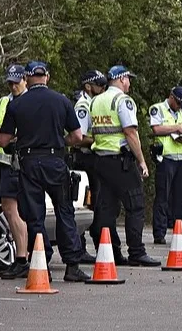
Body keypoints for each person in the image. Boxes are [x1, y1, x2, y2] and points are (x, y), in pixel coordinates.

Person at [0, 61, 90, 283]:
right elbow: (77, 137)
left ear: (27, 78)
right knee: (64, 212)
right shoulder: (62, 101)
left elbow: (4, 139)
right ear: (47, 76)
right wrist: (58, 141)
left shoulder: (17, 105)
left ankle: (41, 262)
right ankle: (72, 265)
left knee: (34, 215)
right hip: (55, 161)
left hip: (29, 163)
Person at [89, 65, 160, 266]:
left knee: (107, 209)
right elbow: (130, 133)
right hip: (120, 161)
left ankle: (110, 252)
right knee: (135, 206)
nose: (129, 83)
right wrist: (142, 160)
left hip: (101, 160)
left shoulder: (96, 101)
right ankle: (137, 252)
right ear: (121, 79)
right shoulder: (122, 100)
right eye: (128, 79)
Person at [0, 64, 31, 279]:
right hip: (2, 163)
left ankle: (22, 258)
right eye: (10, 82)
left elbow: (23, 134)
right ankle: (21, 258)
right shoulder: (4, 102)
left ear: (25, 80)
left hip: (16, 162)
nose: (13, 86)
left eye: (16, 82)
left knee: (13, 210)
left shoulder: (28, 102)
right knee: (9, 210)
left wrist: (0, 135)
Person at [70, 69, 121, 263]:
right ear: (88, 86)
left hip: (94, 159)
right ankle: (80, 248)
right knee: (86, 204)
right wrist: (99, 140)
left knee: (99, 204)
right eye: (100, 86)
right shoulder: (83, 105)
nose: (103, 89)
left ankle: (100, 246)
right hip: (84, 161)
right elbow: (79, 138)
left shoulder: (95, 103)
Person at [149, 86, 182, 244]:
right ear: (171, 97)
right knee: (162, 196)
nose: (180, 106)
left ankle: (181, 232)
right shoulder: (158, 109)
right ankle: (159, 233)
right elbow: (156, 129)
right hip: (166, 158)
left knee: (181, 198)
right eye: (178, 103)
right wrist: (176, 128)